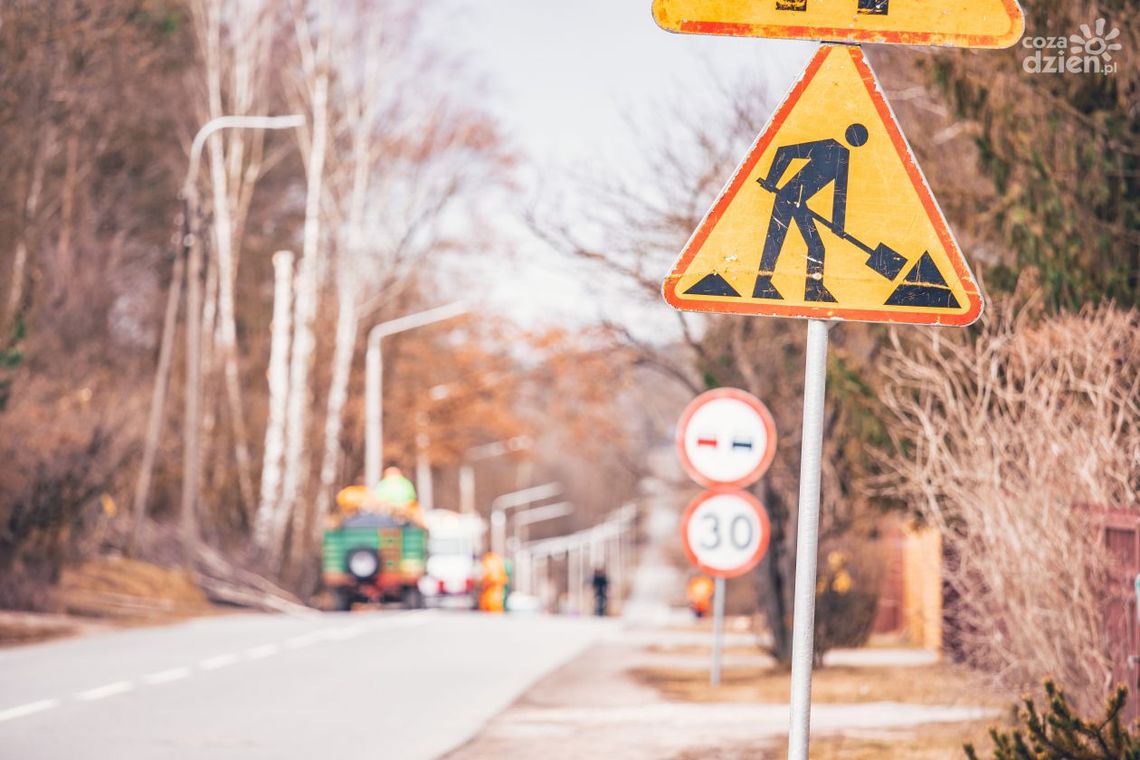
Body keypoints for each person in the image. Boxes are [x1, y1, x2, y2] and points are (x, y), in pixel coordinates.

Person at [754, 123, 870, 303]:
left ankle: (814, 290)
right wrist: (772, 179)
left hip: (800, 204)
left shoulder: (843, 156)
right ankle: (762, 286)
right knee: (775, 240)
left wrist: (838, 226)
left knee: (816, 247)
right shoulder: (828, 146)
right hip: (786, 198)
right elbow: (786, 151)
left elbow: (840, 194)